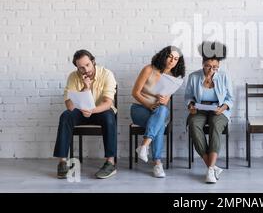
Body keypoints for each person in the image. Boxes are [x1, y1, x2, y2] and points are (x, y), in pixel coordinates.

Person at [53, 49, 117, 179]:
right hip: (80, 111)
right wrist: (85, 88)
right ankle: (62, 162)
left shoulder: (107, 74)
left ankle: (110, 162)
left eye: (87, 65)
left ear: (93, 61)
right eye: (81, 68)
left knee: (110, 117)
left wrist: (92, 110)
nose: (86, 70)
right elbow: (70, 106)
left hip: (100, 111)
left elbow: (107, 102)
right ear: (77, 67)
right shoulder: (73, 76)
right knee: (65, 116)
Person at [131, 46, 185, 178]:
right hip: (139, 109)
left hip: (158, 111)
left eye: (176, 59)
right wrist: (149, 105)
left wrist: (165, 99)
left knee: (161, 112)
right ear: (164, 56)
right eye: (170, 57)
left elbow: (165, 103)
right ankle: (157, 163)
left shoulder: (173, 78)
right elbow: (135, 93)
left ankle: (145, 146)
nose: (172, 61)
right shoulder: (149, 69)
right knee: (160, 124)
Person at [185, 41, 233, 183]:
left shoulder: (224, 76)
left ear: (219, 66)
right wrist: (191, 106)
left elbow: (230, 98)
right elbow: (188, 97)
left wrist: (223, 108)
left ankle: (210, 170)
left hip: (218, 110)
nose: (211, 69)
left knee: (215, 125)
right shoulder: (194, 77)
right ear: (202, 64)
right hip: (200, 109)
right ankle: (212, 168)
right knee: (193, 125)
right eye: (208, 66)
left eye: (215, 67)